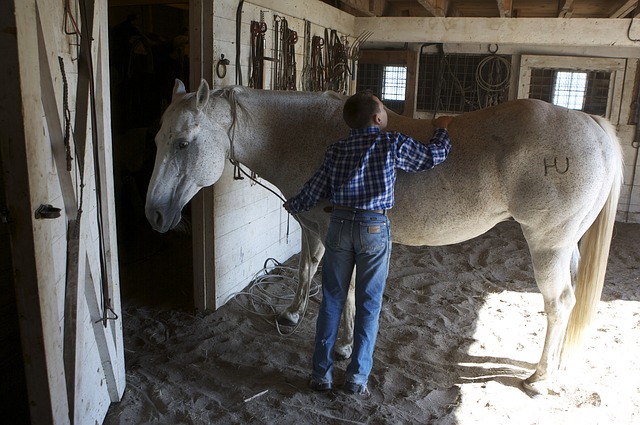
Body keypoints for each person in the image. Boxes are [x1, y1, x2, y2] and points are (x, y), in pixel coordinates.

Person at [283, 91, 453, 396]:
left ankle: (320, 375)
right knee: (368, 304)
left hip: (339, 227)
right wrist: (442, 129)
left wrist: (295, 203)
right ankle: (356, 378)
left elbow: (315, 188)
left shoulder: (336, 150)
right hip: (374, 227)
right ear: (378, 118)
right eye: (385, 109)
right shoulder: (391, 142)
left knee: (332, 300)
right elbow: (431, 157)